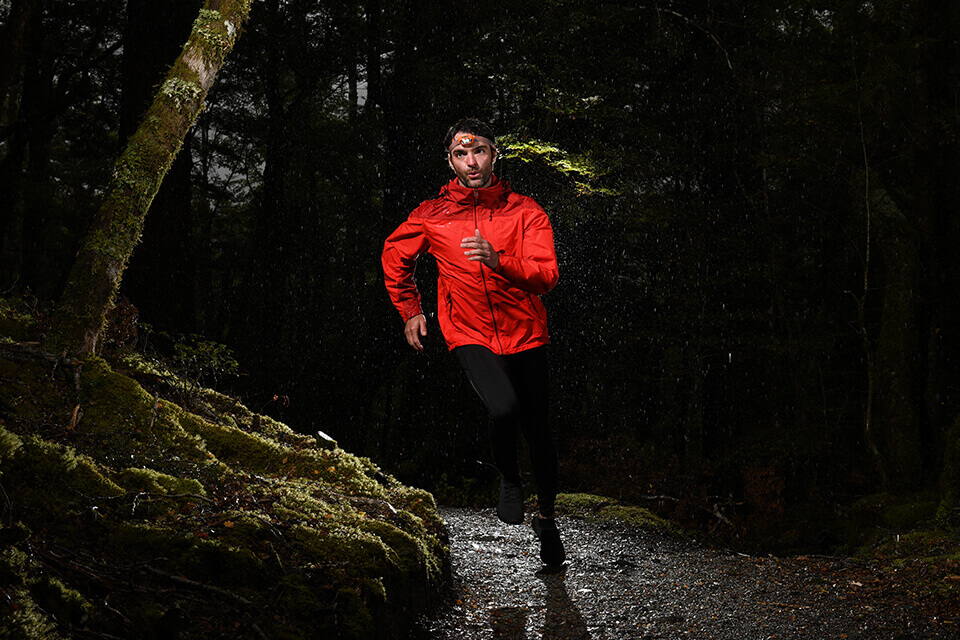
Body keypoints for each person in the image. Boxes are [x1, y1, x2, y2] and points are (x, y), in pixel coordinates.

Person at [381, 118, 565, 566]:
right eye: (461, 155)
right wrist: (410, 311)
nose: (471, 161)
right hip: (467, 331)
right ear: (450, 161)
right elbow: (393, 255)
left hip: (525, 333)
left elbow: (546, 276)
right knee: (503, 409)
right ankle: (507, 477)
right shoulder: (432, 214)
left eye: (479, 151)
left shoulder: (525, 211)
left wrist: (499, 260)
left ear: (494, 154)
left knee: (539, 431)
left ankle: (547, 519)